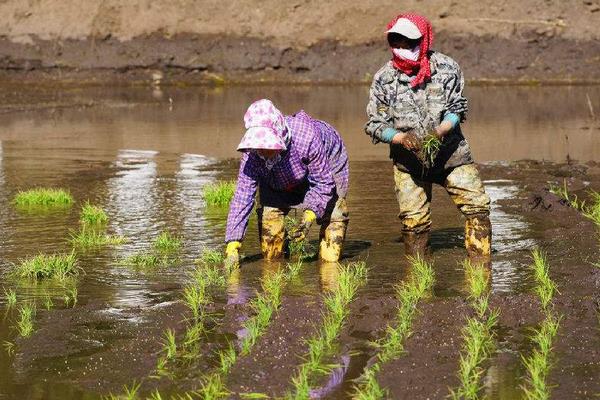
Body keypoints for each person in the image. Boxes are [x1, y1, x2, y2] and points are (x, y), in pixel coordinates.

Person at [365, 13, 492, 265]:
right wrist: (399, 137)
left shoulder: (446, 68)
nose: (401, 49)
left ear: (423, 41)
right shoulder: (384, 78)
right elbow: (375, 124)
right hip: (408, 162)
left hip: (451, 155)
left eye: (407, 43)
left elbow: (457, 107)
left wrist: (442, 130)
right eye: (396, 42)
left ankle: (481, 268)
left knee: (477, 208)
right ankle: (418, 275)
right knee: (414, 223)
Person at [224, 99, 349, 266]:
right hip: (278, 180)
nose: (262, 150)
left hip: (327, 163)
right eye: (259, 147)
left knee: (331, 253)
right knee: (271, 255)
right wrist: (233, 245)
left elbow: (323, 183)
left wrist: (308, 217)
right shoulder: (253, 153)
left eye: (267, 146)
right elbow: (242, 196)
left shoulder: (307, 138)